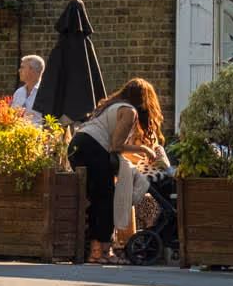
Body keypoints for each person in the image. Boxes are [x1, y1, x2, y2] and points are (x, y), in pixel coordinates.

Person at [70, 79, 163, 264]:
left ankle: (95, 252)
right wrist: (145, 150)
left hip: (77, 146)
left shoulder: (110, 107)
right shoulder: (129, 111)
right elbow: (116, 145)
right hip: (93, 148)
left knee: (97, 200)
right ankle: (104, 252)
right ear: (145, 99)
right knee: (106, 200)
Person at [8, 55, 45, 122]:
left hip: (39, 131)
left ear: (33, 70)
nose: (19, 70)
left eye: (22, 67)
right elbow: (12, 115)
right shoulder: (18, 92)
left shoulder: (45, 92)